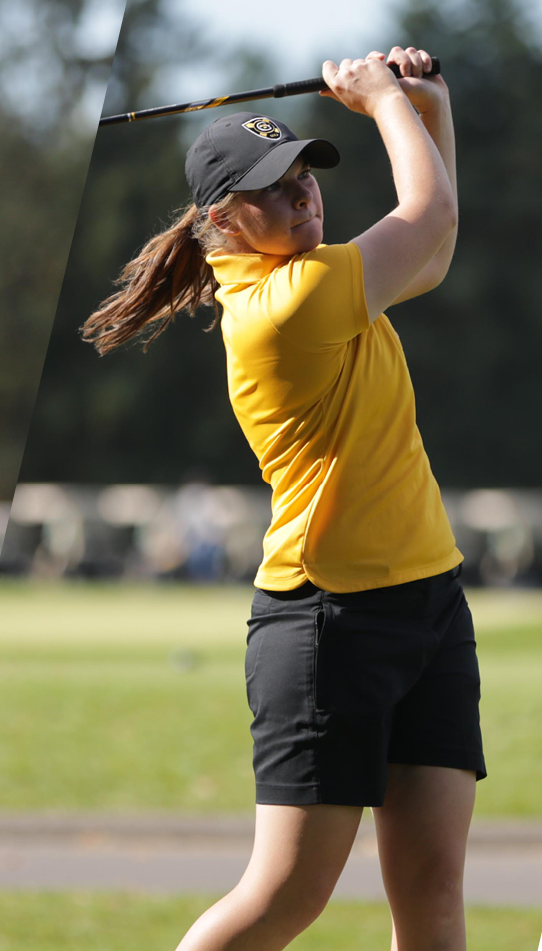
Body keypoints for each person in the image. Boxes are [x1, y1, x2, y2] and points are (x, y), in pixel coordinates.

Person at [81, 49, 473, 951]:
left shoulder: (323, 278)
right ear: (222, 217)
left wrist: (429, 104)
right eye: (276, 189)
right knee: (285, 895)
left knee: (434, 892)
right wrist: (386, 103)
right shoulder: (286, 302)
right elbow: (431, 213)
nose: (304, 198)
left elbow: (436, 248)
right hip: (330, 621)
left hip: (430, 601)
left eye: (306, 178)